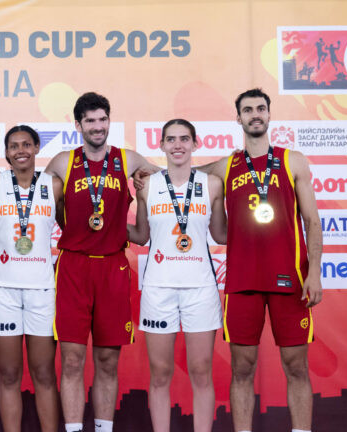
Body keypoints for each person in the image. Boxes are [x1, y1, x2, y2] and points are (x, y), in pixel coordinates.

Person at [197, 88, 322, 432]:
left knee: (296, 367)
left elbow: (312, 221)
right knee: (242, 369)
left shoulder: (293, 160)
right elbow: (183, 173)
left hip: (291, 280)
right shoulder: (225, 166)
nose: (255, 114)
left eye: (260, 108)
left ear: (269, 114)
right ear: (238, 118)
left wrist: (314, 273)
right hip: (243, 282)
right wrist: (147, 173)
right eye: (248, 110)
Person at [44, 92, 159, 432]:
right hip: (73, 267)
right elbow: (28, 193)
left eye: (103, 119)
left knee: (108, 360)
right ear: (78, 125)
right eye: (90, 121)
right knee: (72, 360)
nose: (98, 126)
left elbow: (175, 178)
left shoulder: (128, 159)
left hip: (113, 267)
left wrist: (146, 186)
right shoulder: (62, 162)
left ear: (109, 121)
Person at [127, 119, 226, 432]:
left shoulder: (212, 184)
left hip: (200, 288)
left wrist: (259, 224)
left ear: (195, 144)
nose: (178, 145)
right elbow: (141, 235)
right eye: (171, 139)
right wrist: (102, 222)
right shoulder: (146, 186)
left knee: (201, 371)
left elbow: (221, 234)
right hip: (159, 288)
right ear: (161, 145)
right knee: (160, 373)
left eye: (184, 139)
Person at [0, 125, 64, 432]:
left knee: (44, 374)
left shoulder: (54, 185)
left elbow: (73, 231)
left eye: (26, 144)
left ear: (37, 148)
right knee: (8, 375)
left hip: (42, 291)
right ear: (6, 152)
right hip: (2, 290)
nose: (20, 151)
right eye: (14, 146)